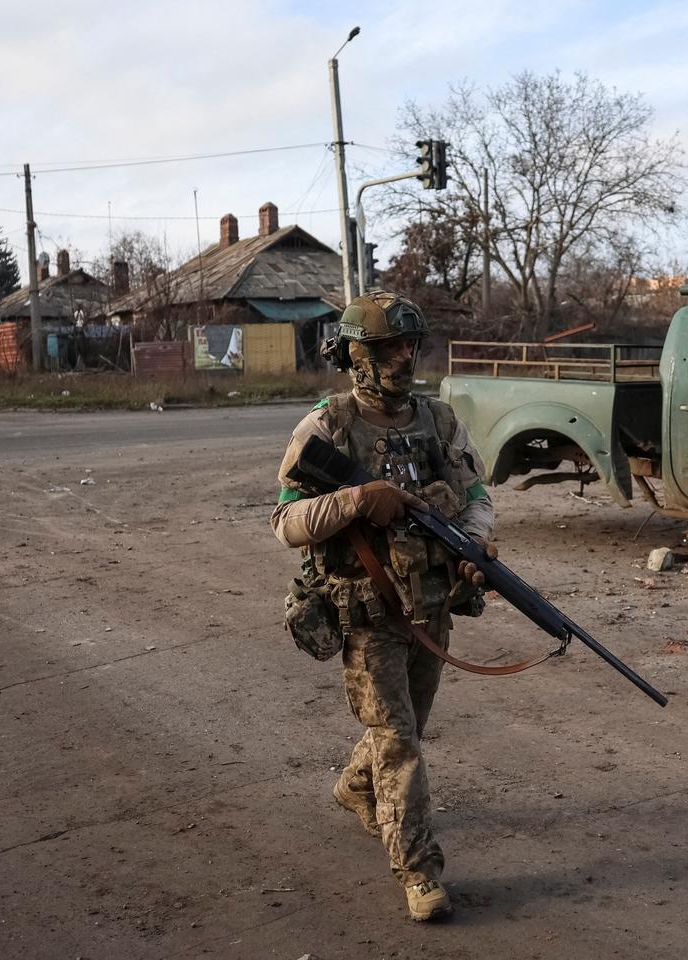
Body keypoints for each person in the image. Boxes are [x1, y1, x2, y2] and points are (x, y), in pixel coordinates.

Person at [269, 292, 496, 922]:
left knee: (406, 726)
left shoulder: (440, 421)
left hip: (432, 604)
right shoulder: (328, 426)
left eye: (410, 345)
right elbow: (286, 521)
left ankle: (355, 785)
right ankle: (419, 871)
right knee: (398, 740)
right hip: (368, 614)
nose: (403, 357)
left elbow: (477, 496)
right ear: (354, 355)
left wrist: (474, 544)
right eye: (387, 347)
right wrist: (356, 500)